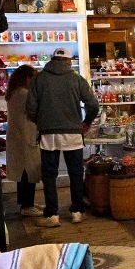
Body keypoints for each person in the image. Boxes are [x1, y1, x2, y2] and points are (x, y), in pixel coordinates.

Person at [26, 48, 99, 227]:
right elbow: (92, 104)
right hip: (72, 131)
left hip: (48, 133)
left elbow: (30, 108)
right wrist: (87, 121)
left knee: (49, 174)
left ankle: (52, 214)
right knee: (75, 172)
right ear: (68, 60)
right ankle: (77, 211)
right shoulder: (76, 78)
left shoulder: (39, 79)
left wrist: (41, 121)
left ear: (53, 59)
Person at [5, 65, 43, 217]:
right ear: (27, 79)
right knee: (29, 171)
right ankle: (27, 205)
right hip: (26, 138)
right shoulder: (24, 94)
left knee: (23, 173)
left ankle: (26, 203)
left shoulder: (14, 93)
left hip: (19, 137)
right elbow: (36, 110)